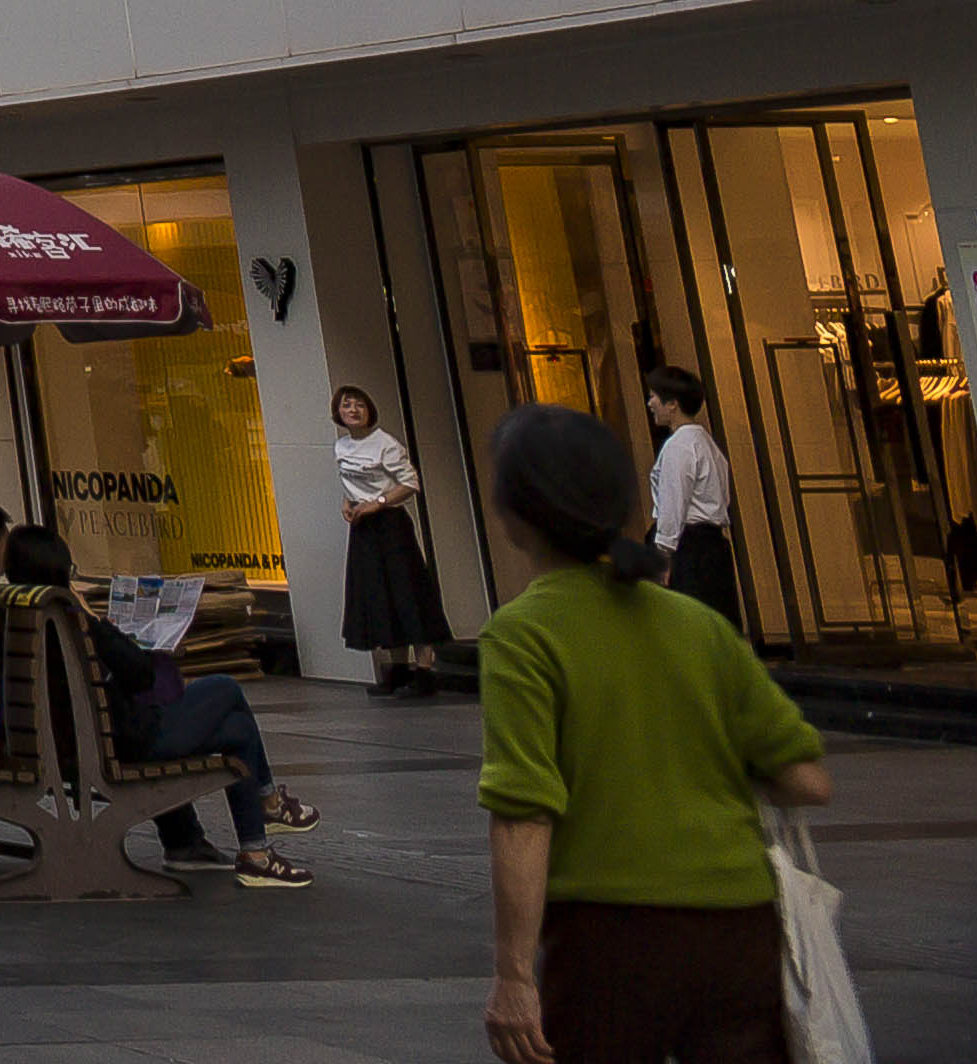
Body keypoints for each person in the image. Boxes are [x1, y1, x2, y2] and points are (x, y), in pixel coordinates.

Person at [478, 398, 829, 1064]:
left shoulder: (522, 635)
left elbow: (523, 815)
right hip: (741, 927)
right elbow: (806, 780)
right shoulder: (698, 626)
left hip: (609, 939)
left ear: (516, 517)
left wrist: (513, 975)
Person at [0, 524, 307, 887]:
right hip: (118, 747)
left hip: (62, 745)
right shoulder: (71, 617)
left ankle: (205, 844)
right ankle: (266, 810)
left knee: (238, 730)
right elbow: (141, 675)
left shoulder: (12, 610)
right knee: (226, 689)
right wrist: (102, 623)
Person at [337, 383, 454, 700]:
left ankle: (425, 669)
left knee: (407, 591)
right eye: (347, 405)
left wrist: (380, 501)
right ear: (338, 412)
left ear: (369, 410)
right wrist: (349, 503)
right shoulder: (341, 446)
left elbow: (410, 483)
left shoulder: (385, 444)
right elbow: (352, 484)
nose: (353, 410)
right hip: (363, 527)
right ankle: (397, 668)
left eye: (359, 405)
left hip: (390, 525)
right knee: (378, 594)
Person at [642, 364, 740, 630]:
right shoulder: (706, 444)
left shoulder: (679, 447)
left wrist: (663, 555)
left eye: (654, 396)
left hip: (687, 547)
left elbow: (673, 505)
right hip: (711, 545)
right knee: (714, 623)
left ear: (672, 403)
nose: (650, 403)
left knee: (687, 626)